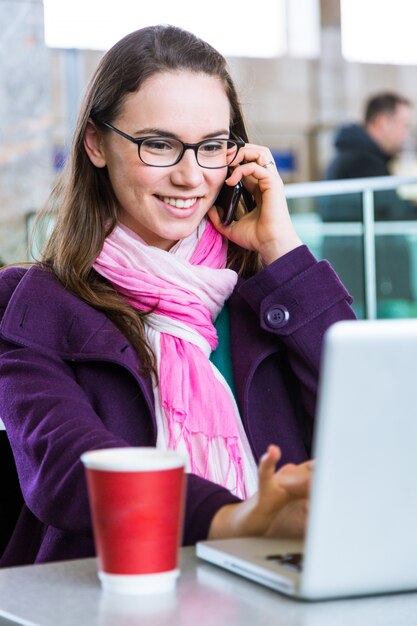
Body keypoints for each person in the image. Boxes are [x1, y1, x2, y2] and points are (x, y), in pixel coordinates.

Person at [0, 25, 355, 568]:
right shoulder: (33, 305)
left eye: (212, 146)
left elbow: (368, 421)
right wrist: (233, 519)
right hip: (112, 595)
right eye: (159, 144)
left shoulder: (264, 295)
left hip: (278, 593)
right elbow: (64, 466)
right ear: (96, 143)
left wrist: (281, 248)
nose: (191, 176)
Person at [320, 92, 417, 310]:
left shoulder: (354, 156)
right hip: (367, 286)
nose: (405, 134)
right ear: (382, 122)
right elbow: (392, 209)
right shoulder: (363, 161)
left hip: (359, 282)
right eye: (404, 125)